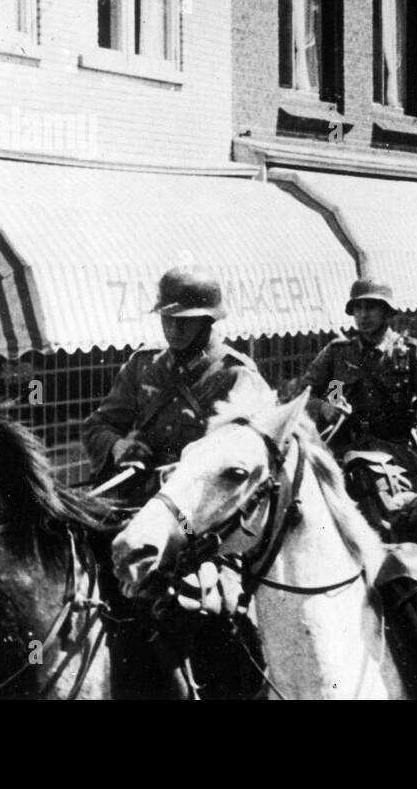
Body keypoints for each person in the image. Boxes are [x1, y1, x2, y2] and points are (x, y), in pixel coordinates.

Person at [82, 266, 272, 699]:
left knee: (206, 607)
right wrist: (118, 447)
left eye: (183, 320)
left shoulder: (237, 376)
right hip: (134, 506)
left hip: (202, 520)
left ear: (208, 319)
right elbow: (97, 425)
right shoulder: (143, 366)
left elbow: (251, 462)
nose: (172, 328)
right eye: (166, 319)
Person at [300, 279, 417, 487]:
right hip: (342, 450)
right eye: (357, 308)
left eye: (370, 307)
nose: (363, 314)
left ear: (386, 311)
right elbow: (301, 397)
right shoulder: (338, 353)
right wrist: (325, 406)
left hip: (394, 452)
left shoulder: (411, 353)